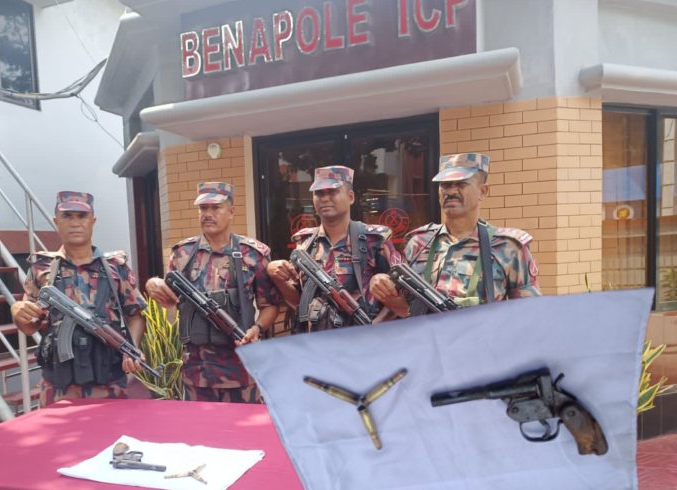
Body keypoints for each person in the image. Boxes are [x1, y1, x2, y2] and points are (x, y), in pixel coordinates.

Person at [145, 182, 279, 403]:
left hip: (240, 371)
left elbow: (270, 305)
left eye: (216, 207)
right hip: (196, 373)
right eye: (203, 208)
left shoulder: (253, 254)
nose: (208, 214)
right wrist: (153, 283)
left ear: (231, 211)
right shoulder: (182, 254)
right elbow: (169, 297)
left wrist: (257, 328)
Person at [10, 191, 147, 407]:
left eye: (82, 216)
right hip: (58, 386)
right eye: (67, 216)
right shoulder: (42, 268)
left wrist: (132, 348)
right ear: (57, 221)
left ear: (93, 221)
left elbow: (136, 316)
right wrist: (18, 312)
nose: (75, 223)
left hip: (109, 382)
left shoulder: (115, 268)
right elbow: (29, 326)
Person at [371, 153, 541, 317]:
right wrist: (382, 286)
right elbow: (404, 309)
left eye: (461, 184)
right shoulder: (419, 243)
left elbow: (528, 314)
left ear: (483, 191)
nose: (451, 191)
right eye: (445, 185)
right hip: (426, 336)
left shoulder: (508, 248)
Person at [267, 165, 402, 331]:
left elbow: (400, 299)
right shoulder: (305, 243)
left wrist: (373, 329)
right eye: (319, 193)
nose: (325, 198)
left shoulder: (374, 240)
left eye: (332, 192)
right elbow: (298, 300)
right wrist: (277, 277)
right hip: (314, 341)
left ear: (351, 197)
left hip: (361, 339)